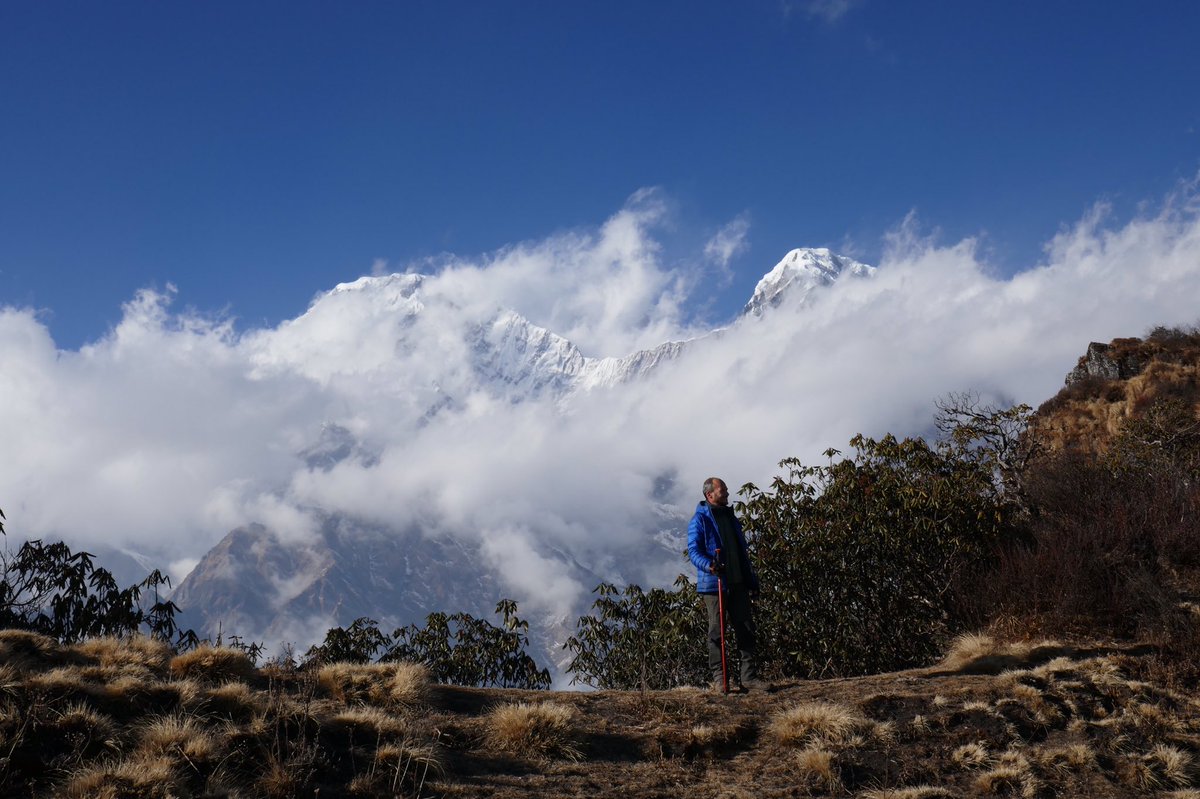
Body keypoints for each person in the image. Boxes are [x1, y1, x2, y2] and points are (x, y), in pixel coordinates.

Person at [686, 476, 764, 692]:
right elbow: (693, 551)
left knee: (746, 629)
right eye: (723, 490)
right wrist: (710, 565)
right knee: (717, 632)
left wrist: (751, 580)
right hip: (715, 585)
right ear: (709, 494)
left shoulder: (731, 518)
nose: (727, 493)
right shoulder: (699, 520)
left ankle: (748, 679)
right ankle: (721, 681)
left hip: (738, 582)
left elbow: (741, 553)